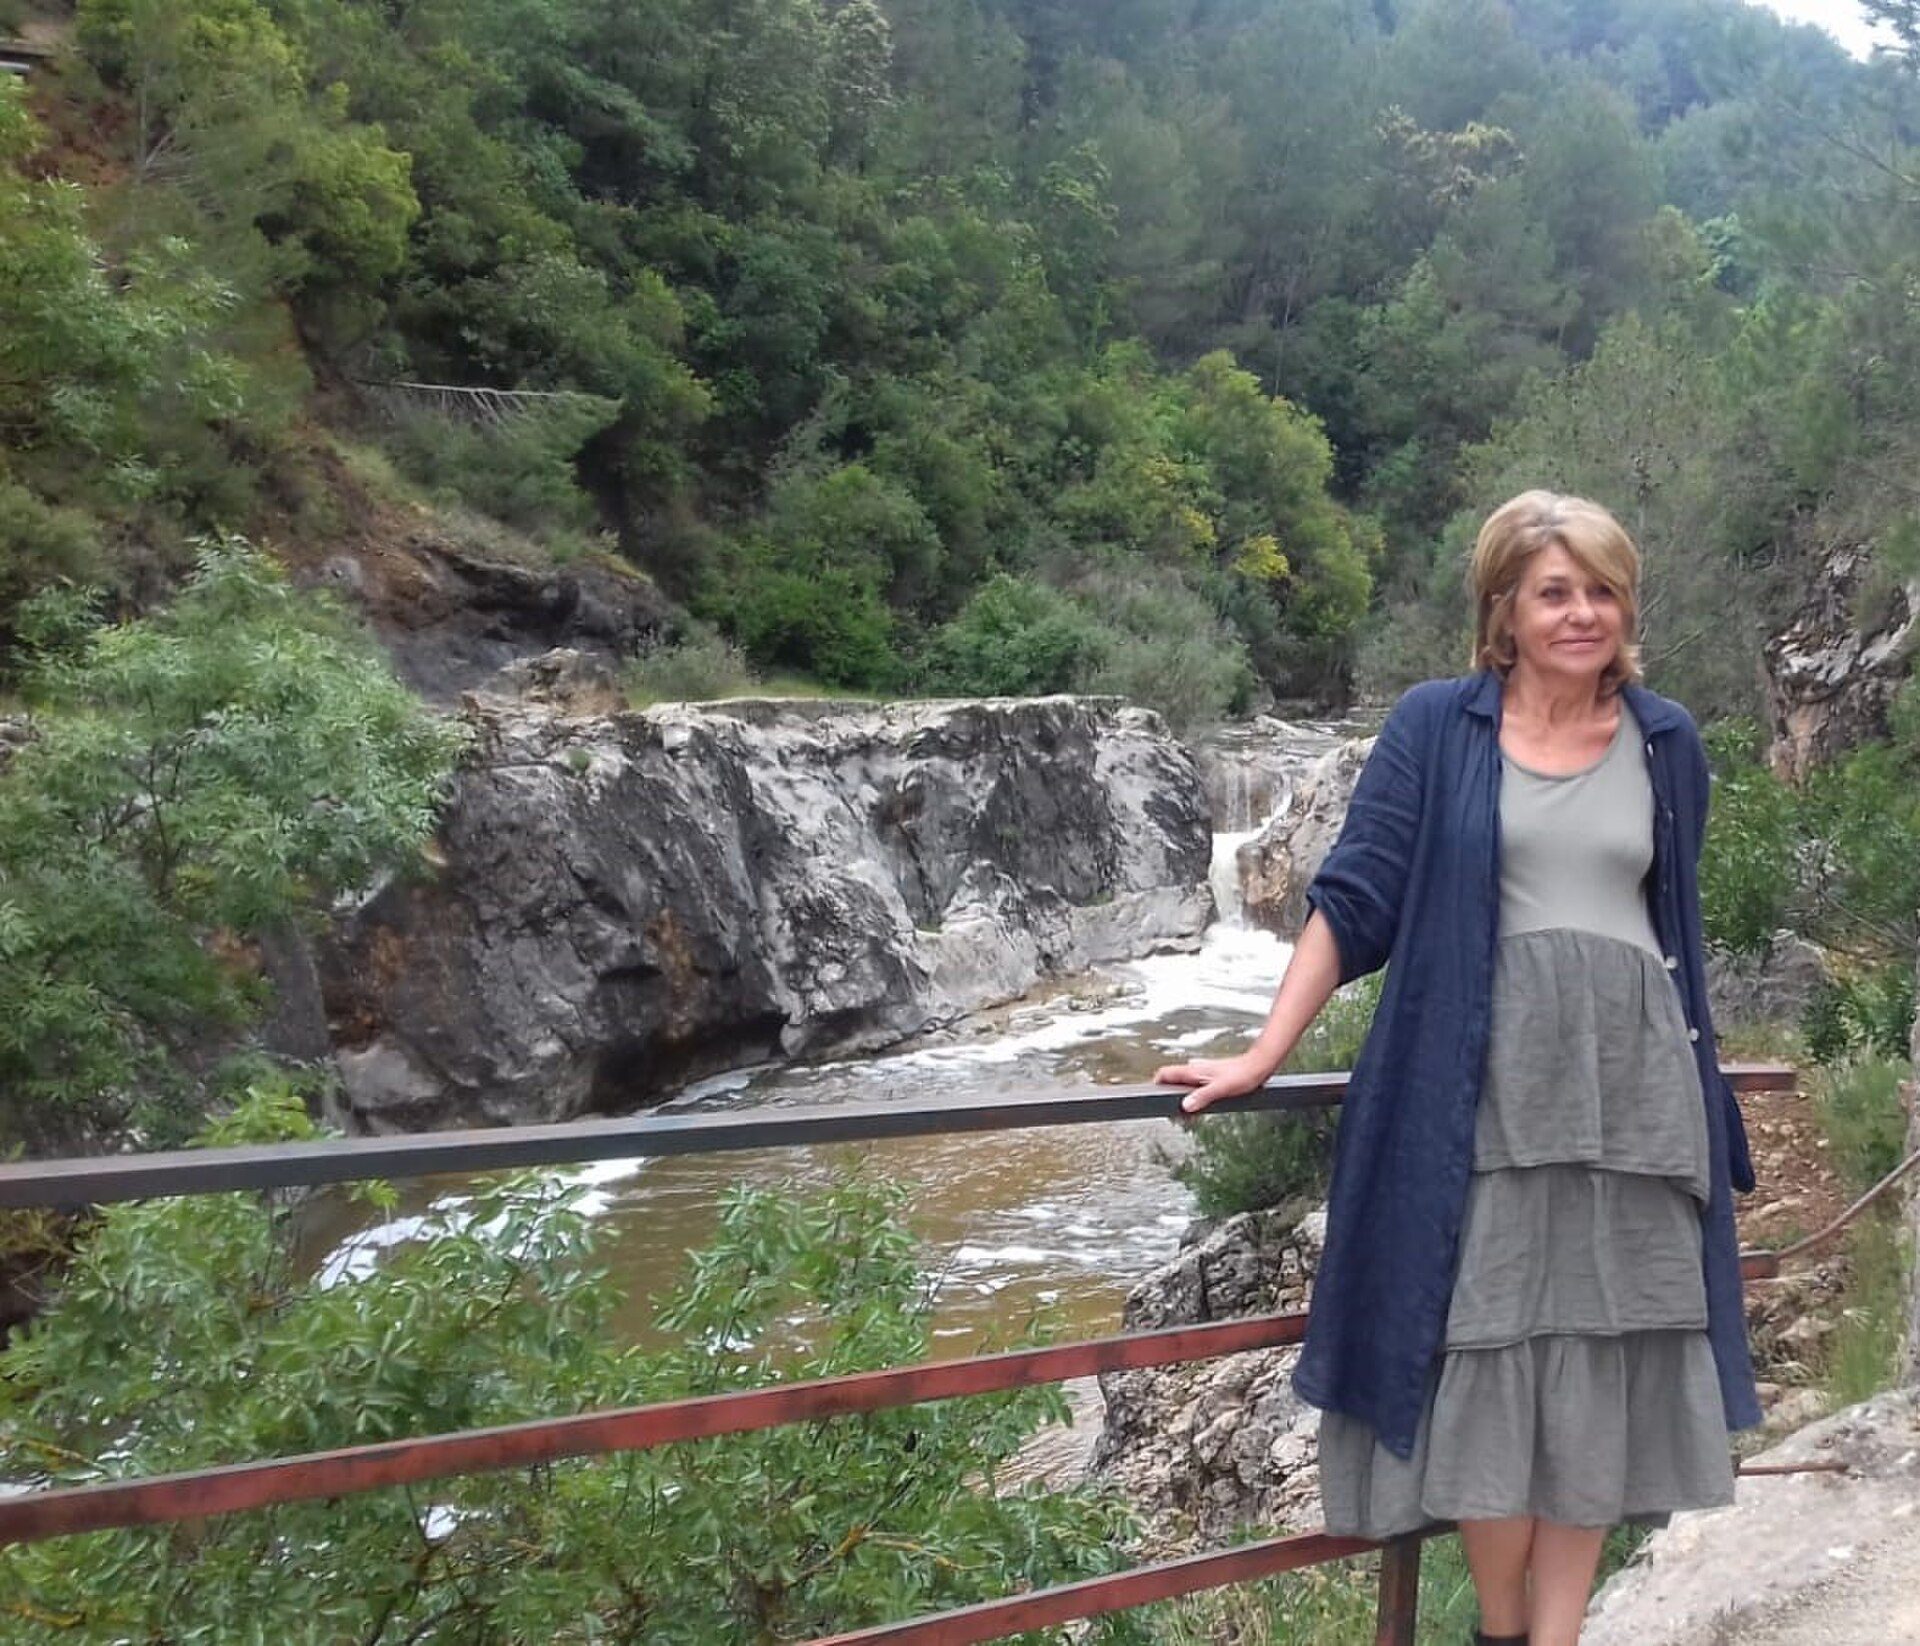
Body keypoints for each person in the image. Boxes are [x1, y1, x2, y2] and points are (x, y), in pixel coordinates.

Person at [1155, 491, 1760, 1646]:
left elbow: (1661, 917)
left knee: (1604, 1346)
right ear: (1504, 608)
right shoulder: (1438, 725)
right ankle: (1498, 1628)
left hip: (1632, 1091)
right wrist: (1264, 1049)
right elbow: (1355, 899)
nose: (1583, 611)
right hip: (1476, 1083)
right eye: (1555, 590)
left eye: (1603, 588)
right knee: (1485, 1343)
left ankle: (1561, 1633)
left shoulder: (1668, 739)